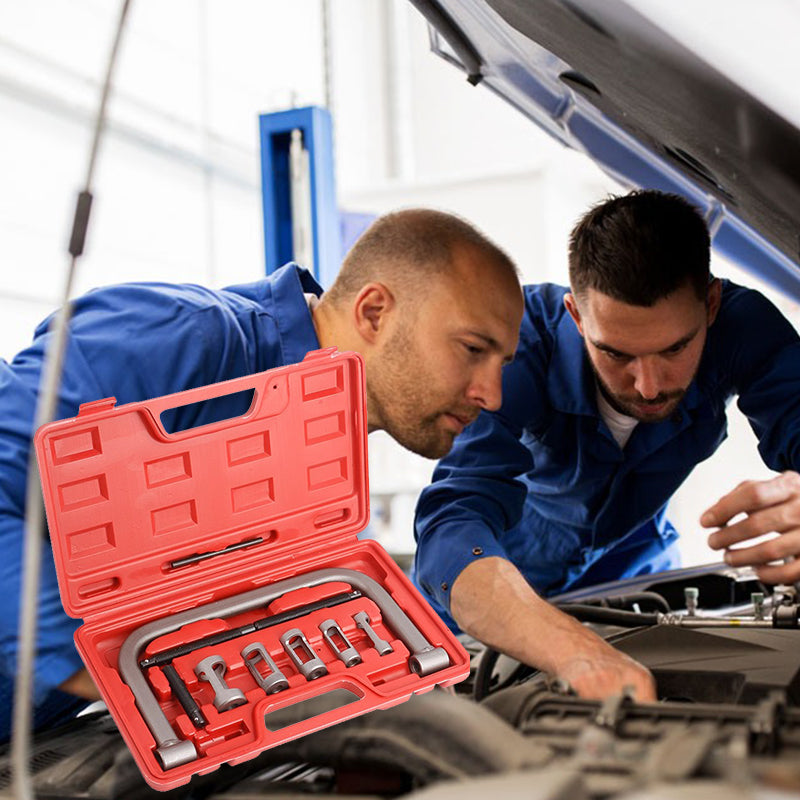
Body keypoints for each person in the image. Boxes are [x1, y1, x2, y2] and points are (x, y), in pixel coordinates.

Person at [0, 207, 524, 741]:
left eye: (502, 363)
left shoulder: (318, 460)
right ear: (373, 312)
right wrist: (126, 682)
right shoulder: (188, 335)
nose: (492, 393)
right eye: (472, 349)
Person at [414, 190, 800, 701]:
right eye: (615, 353)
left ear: (710, 306)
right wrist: (571, 648)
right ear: (577, 315)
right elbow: (451, 521)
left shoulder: (743, 328)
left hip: (636, 571)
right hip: (497, 586)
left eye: (674, 349)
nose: (647, 385)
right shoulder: (515, 346)